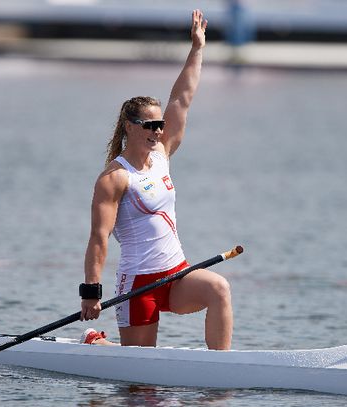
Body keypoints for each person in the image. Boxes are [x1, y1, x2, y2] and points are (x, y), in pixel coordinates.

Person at [79, 9, 233, 350]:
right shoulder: (115, 178)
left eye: (159, 124)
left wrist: (197, 49)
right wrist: (91, 292)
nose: (158, 131)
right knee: (139, 385)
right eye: (150, 125)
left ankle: (221, 373)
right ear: (131, 127)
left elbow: (182, 98)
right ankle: (94, 342)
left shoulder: (161, 156)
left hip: (176, 273)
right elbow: (98, 239)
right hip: (138, 283)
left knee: (219, 288)